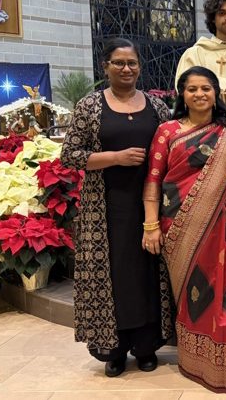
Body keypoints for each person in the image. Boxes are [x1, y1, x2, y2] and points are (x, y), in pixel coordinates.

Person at [60, 38, 173, 378]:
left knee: (148, 272)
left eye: (132, 63)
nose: (126, 69)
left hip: (150, 204)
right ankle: (115, 350)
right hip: (105, 208)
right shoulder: (90, 106)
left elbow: (173, 147)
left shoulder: (157, 106)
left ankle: (147, 346)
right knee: (115, 274)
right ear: (105, 66)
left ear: (140, 66)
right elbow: (70, 155)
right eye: (119, 63)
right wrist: (115, 158)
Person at [142, 66, 226, 393]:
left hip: (225, 220)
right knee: (194, 291)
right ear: (182, 95)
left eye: (206, 88)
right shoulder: (167, 131)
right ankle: (194, 359)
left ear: (216, 93)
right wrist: (150, 225)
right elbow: (153, 180)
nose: (200, 94)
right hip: (178, 223)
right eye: (192, 89)